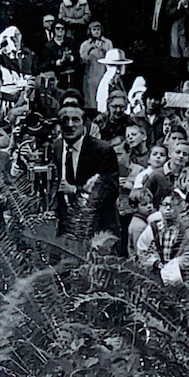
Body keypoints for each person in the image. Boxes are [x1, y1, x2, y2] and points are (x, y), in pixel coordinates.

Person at [52, 101, 119, 240]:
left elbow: (110, 191)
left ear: (84, 124)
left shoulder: (102, 150)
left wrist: (77, 190)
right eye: (65, 120)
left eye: (75, 120)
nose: (70, 125)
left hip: (97, 228)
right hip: (63, 228)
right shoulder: (54, 148)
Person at [80, 21, 114, 109]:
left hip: (103, 73)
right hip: (90, 75)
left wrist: (103, 50)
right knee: (90, 98)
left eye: (98, 29)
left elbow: (112, 59)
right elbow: (82, 61)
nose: (96, 32)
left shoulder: (107, 43)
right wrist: (90, 49)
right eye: (94, 30)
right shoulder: (85, 44)